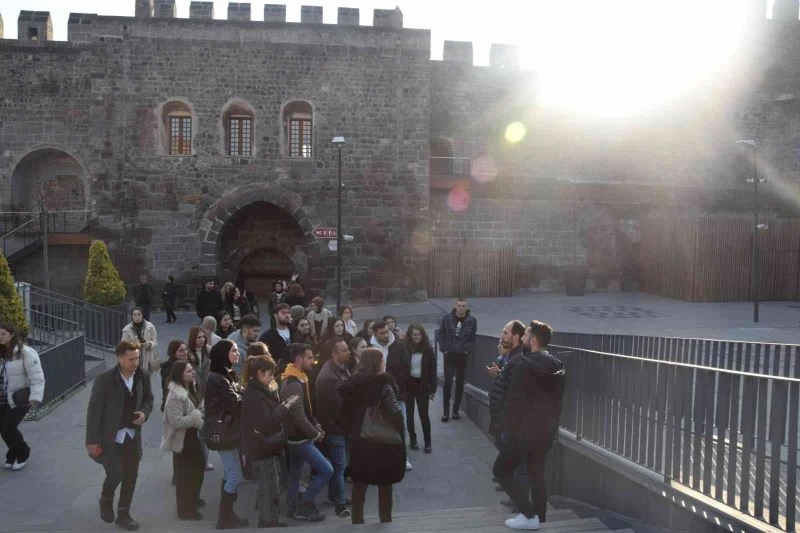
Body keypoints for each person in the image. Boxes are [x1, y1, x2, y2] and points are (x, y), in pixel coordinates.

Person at [494, 321, 565, 531]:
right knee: (537, 473)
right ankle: (539, 518)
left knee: (501, 471)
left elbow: (513, 403)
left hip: (522, 433)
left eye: (525, 335)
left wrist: (505, 430)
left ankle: (529, 514)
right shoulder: (558, 365)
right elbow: (557, 402)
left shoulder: (523, 365)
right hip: (545, 431)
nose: (523, 339)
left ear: (533, 340)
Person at [86, 340, 154, 531]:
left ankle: (124, 514)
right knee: (116, 472)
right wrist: (92, 441)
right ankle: (106, 499)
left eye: (137, 358)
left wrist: (144, 413)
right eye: (131, 359)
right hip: (110, 437)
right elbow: (94, 411)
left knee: (131, 476)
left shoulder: (143, 376)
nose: (135, 363)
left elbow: (149, 398)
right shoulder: (104, 380)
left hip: (132, 436)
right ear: (119, 358)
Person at [339, 348, 406, 524]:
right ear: (377, 363)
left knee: (360, 482)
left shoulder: (351, 384)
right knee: (385, 482)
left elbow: (343, 414)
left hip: (359, 440)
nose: (384, 364)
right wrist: (399, 431)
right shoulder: (384, 384)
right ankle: (385, 521)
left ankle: (357, 521)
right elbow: (396, 413)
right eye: (382, 360)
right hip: (382, 441)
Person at [241, 355, 299, 528]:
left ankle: (269, 519)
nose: (273, 377)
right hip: (261, 449)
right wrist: (284, 407)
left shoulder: (261, 390)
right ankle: (268, 522)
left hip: (264, 448)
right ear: (259, 373)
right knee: (269, 488)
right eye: (270, 374)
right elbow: (266, 424)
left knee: (270, 486)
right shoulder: (255, 396)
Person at [280, 343, 332, 522]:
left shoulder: (299, 377)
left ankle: (293, 508)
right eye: (310, 357)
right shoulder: (293, 383)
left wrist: (316, 424)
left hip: (299, 437)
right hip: (298, 439)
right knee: (327, 470)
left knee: (295, 473)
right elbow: (298, 417)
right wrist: (315, 434)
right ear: (299, 359)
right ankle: (305, 504)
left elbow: (307, 412)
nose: (314, 361)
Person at [204, 340, 249, 529]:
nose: (237, 354)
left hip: (229, 430)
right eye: (234, 351)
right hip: (224, 432)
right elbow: (235, 403)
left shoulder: (225, 374)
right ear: (224, 354)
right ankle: (224, 518)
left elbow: (238, 395)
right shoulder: (218, 378)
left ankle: (229, 515)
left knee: (230, 473)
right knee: (235, 476)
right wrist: (246, 395)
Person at [161, 360, 205, 521]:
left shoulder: (190, 388)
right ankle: (185, 510)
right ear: (180, 375)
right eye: (188, 371)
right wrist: (195, 418)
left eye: (192, 370)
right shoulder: (175, 395)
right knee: (186, 475)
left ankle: (193, 500)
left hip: (192, 436)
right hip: (183, 439)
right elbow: (176, 422)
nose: (193, 372)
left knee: (198, 469)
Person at [315, 337, 352, 518]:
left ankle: (333, 495)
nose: (349, 352)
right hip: (335, 429)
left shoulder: (339, 369)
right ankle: (339, 501)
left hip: (339, 427)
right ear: (334, 354)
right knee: (339, 466)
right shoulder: (330, 377)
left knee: (340, 465)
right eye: (344, 350)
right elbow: (339, 409)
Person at [0, 322, 45, 471]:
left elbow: (37, 376)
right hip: (2, 396)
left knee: (8, 427)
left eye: (3, 334)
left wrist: (35, 397)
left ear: (11, 334)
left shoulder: (26, 352)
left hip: (19, 397)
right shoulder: (1, 352)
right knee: (3, 429)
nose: (0, 337)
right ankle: (13, 453)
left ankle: (23, 452)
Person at [369, 321, 412, 471]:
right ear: (375, 334)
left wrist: (395, 386)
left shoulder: (399, 346)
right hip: (376, 395)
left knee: (401, 424)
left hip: (396, 393)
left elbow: (406, 369)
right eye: (382, 333)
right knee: (379, 426)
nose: (386, 335)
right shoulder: (370, 348)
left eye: (387, 331)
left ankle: (403, 457)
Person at [436, 298, 477, 422]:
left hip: (462, 355)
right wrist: (444, 348)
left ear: (466, 307)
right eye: (459, 305)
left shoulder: (471, 320)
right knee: (447, 383)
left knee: (460, 384)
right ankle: (445, 411)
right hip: (449, 354)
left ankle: (455, 410)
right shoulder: (446, 318)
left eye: (463, 306)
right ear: (455, 306)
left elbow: (473, 337)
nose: (461, 308)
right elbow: (440, 334)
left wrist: (467, 350)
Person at [404, 324, 437, 454]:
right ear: (410, 336)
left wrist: (433, 389)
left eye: (419, 334)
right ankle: (413, 440)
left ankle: (428, 442)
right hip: (409, 385)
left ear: (422, 335)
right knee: (409, 415)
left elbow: (433, 370)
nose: (417, 337)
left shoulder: (428, 349)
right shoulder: (406, 348)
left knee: (424, 415)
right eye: (414, 334)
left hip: (422, 385)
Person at [258, 304, 296, 370]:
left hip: (297, 369)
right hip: (278, 372)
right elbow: (263, 356)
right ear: (276, 315)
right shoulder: (267, 336)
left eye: (288, 313)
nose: (287, 315)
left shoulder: (295, 331)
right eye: (283, 313)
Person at [121, 308, 158, 374]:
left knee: (147, 379)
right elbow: (123, 345)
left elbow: (155, 341)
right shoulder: (127, 329)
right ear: (132, 316)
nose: (136, 317)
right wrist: (132, 344)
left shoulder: (150, 326)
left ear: (142, 315)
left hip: (148, 356)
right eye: (134, 315)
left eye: (138, 315)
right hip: (133, 357)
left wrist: (148, 344)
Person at [160, 340, 188, 412]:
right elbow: (167, 390)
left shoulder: (185, 364)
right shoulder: (168, 370)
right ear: (174, 354)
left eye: (186, 349)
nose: (185, 353)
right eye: (181, 351)